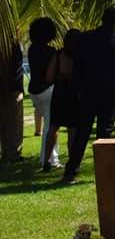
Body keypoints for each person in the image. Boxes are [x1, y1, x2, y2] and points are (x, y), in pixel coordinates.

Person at [61, 8, 115, 184]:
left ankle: (71, 171)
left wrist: (76, 89)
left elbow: (77, 67)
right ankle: (104, 172)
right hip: (109, 95)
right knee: (104, 133)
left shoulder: (85, 39)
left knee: (82, 133)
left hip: (87, 93)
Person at [44, 29, 81, 168]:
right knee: (72, 131)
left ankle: (46, 161)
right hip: (73, 96)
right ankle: (72, 162)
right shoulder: (79, 57)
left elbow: (48, 77)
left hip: (59, 95)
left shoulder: (58, 55)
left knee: (53, 129)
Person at [27, 18, 60, 172]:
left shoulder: (32, 49)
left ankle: (50, 158)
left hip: (34, 91)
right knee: (51, 126)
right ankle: (48, 159)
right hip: (47, 90)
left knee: (48, 125)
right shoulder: (51, 52)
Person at [0, 41, 24, 165]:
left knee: (9, 122)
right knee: (13, 122)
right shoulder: (12, 43)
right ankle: (12, 153)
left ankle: (10, 152)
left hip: (11, 87)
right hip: (12, 88)